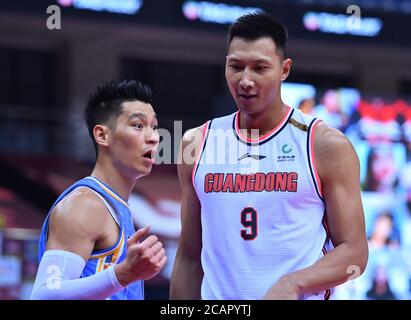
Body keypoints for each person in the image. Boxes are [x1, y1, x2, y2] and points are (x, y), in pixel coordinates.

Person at [170, 13, 368, 300]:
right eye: (236, 66)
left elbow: (355, 252)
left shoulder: (325, 145)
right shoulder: (197, 143)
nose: (245, 80)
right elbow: (189, 257)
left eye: (260, 68)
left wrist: (295, 283)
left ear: (284, 69)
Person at [30, 80, 167, 300]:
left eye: (154, 126)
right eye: (139, 126)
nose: (153, 137)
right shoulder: (85, 204)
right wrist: (122, 274)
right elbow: (44, 294)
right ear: (102, 135)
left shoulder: (116, 206)